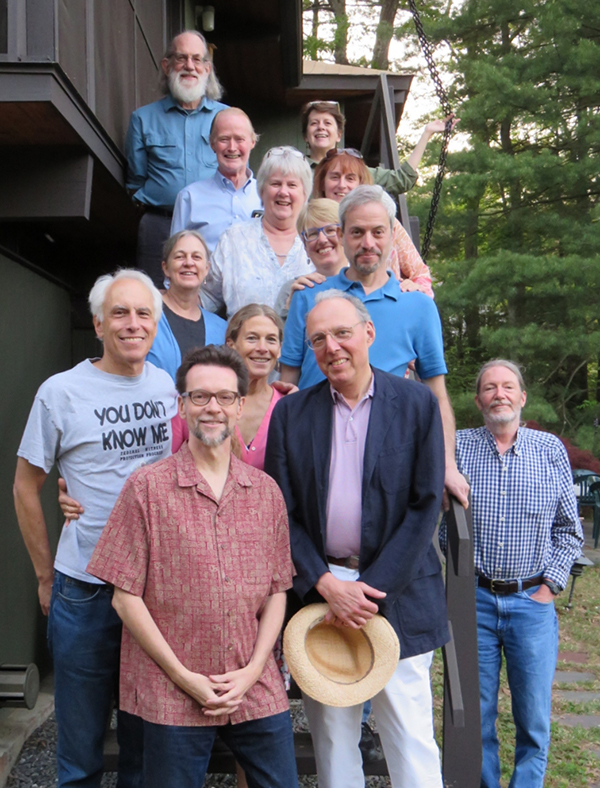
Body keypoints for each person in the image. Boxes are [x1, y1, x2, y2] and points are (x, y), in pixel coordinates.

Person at [86, 345, 298, 788]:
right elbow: (125, 599)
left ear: (241, 405)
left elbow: (278, 591)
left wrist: (255, 669)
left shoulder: (265, 492)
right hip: (170, 686)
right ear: (182, 405)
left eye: (224, 397)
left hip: (251, 681)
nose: (212, 408)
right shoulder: (147, 488)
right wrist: (184, 677)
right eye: (199, 397)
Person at [265, 290, 449, 788]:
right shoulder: (291, 414)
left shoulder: (416, 404)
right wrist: (326, 582)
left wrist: (366, 590)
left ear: (368, 334)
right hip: (320, 592)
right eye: (318, 339)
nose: (332, 347)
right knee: (332, 737)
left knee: (409, 734)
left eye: (342, 333)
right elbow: (282, 512)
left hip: (397, 592)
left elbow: (425, 502)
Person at [13, 270, 178, 787]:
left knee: (142, 742)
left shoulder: (166, 384)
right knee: (80, 750)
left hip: (152, 592)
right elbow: (24, 486)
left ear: (157, 322)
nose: (133, 324)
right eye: (120, 313)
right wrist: (45, 577)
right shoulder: (60, 391)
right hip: (83, 588)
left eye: (144, 313)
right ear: (98, 323)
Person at [441, 360, 583, 788]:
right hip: (474, 603)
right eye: (489, 387)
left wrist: (550, 586)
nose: (498, 394)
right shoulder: (458, 449)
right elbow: (434, 518)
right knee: (477, 719)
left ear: (522, 397)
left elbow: (569, 529)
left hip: (531, 603)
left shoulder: (549, 450)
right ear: (478, 400)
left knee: (534, 719)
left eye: (508, 387)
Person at [279, 185, 469, 506]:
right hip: (313, 458)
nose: (368, 243)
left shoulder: (418, 307)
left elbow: (437, 395)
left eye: (377, 232)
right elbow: (286, 387)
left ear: (392, 235)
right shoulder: (308, 297)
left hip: (386, 464)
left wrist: (447, 464)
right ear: (341, 236)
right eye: (357, 232)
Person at [126, 30, 228, 287]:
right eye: (181, 58)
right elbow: (135, 181)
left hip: (213, 226)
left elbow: (240, 174)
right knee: (154, 300)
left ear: (207, 68)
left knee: (215, 297)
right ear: (167, 65)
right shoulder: (143, 118)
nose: (189, 66)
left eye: (196, 59)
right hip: (159, 225)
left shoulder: (228, 119)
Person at [201, 146, 314, 318]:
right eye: (275, 183)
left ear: (305, 194)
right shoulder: (233, 239)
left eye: (292, 185)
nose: (283, 192)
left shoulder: (320, 242)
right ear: (261, 190)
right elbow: (206, 298)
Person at [312, 148, 432, 295]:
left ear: (361, 184)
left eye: (350, 178)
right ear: (322, 182)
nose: (342, 185)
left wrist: (415, 289)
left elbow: (421, 274)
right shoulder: (310, 225)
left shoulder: (386, 223)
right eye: (335, 177)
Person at [301, 99, 456, 195]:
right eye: (314, 123)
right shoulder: (296, 170)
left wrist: (427, 134)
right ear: (305, 135)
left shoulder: (356, 170)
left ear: (339, 135)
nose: (321, 127)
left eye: (327, 123)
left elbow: (402, 179)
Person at [170, 108, 262, 252]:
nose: (232, 147)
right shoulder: (189, 197)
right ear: (212, 144)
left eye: (239, 139)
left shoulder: (268, 196)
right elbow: (175, 258)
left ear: (252, 142)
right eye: (224, 139)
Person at [146, 230, 227, 380]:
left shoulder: (222, 329)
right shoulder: (145, 316)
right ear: (165, 268)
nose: (189, 263)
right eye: (179, 256)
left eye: (196, 257)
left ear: (207, 269)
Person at [274, 198, 348, 318]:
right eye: (313, 234)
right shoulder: (293, 289)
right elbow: (278, 336)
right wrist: (289, 310)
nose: (322, 239)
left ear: (345, 236)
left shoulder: (363, 283)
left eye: (330, 230)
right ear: (305, 246)